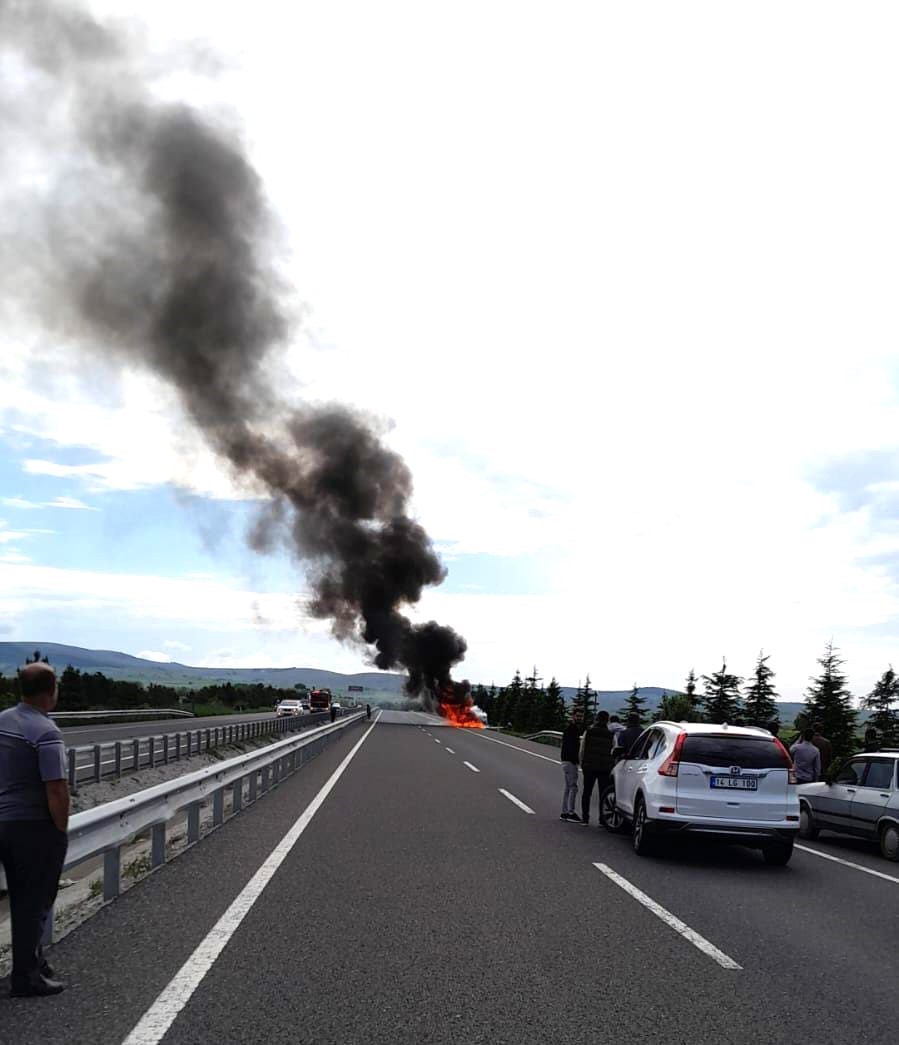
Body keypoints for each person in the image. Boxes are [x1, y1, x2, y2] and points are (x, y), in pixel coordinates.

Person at [0, 663, 69, 997]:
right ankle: (26, 976)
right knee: (33, 901)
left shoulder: (3, 721)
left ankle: (36, 961)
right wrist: (60, 830)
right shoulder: (45, 731)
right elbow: (56, 788)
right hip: (31, 826)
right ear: (51, 689)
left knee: (19, 897)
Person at [579, 711, 615, 826]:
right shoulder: (611, 734)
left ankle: (585, 818)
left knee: (587, 792)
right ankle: (602, 819)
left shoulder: (589, 732)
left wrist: (582, 763)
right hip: (605, 768)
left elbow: (582, 749)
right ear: (607, 720)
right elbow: (614, 751)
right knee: (603, 793)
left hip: (589, 767)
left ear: (597, 719)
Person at [559, 708, 584, 822]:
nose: (579, 718)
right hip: (570, 761)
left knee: (568, 787)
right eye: (578, 716)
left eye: (580, 716)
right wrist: (575, 760)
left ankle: (564, 812)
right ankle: (570, 812)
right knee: (573, 787)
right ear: (573, 716)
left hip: (566, 760)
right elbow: (571, 747)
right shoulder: (572, 729)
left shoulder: (570, 728)